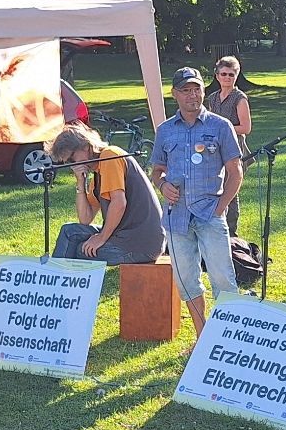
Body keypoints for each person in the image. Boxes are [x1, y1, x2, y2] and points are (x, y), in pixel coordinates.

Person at [149, 66, 244, 341]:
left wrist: (221, 205)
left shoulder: (220, 125)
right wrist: (163, 185)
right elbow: (157, 170)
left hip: (209, 215)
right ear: (175, 94)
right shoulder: (165, 130)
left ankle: (228, 340)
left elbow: (235, 171)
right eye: (186, 90)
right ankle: (203, 338)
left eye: (197, 89)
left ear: (204, 90)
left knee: (223, 279)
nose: (193, 95)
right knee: (186, 282)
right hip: (176, 218)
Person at [47, 122, 167, 265]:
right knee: (69, 231)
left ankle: (55, 280)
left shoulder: (109, 157)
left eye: (72, 159)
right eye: (67, 162)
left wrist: (101, 238)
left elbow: (119, 203)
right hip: (125, 236)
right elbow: (85, 219)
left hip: (141, 243)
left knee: (80, 250)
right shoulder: (98, 172)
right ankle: (54, 277)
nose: (72, 165)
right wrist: (80, 182)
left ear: (86, 147)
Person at [205, 55, 252, 234]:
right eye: (223, 74)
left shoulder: (239, 98)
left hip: (234, 149)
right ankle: (217, 225)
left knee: (231, 190)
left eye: (231, 75)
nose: (227, 78)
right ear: (217, 76)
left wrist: (224, 128)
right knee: (216, 187)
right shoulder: (213, 97)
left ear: (236, 76)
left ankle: (232, 232)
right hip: (215, 149)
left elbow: (246, 127)